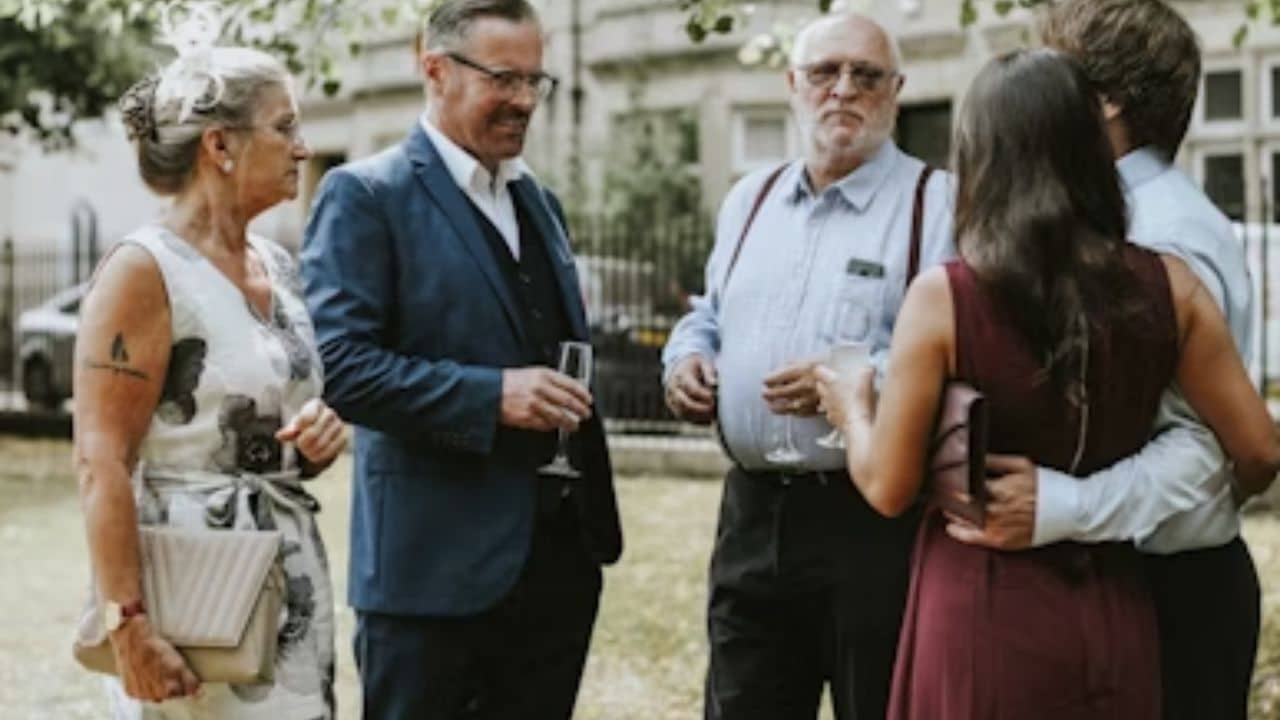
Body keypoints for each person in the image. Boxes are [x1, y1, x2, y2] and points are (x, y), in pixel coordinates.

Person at [815, 48, 1280, 719]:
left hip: (981, 602)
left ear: (977, 156)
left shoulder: (945, 297)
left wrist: (853, 405)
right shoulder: (1173, 285)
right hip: (1116, 602)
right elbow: (1259, 450)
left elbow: (887, 487)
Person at [945, 2, 1270, 717]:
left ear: (1108, 98)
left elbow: (1219, 444)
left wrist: (1065, 505)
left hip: (1169, 586)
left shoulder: (1161, 234)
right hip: (1125, 572)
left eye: (1051, 68)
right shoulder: (1110, 216)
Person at [299, 1, 622, 717]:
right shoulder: (364, 195)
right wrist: (491, 396)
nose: (525, 101)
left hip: (556, 570)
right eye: (505, 78)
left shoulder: (539, 202)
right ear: (434, 70)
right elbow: (341, 367)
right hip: (429, 578)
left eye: (538, 80)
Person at [662, 13, 953, 719]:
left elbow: (959, 348)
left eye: (866, 75)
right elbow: (711, 310)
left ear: (897, 90)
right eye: (824, 73)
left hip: (874, 518)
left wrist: (857, 382)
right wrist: (686, 355)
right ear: (793, 85)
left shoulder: (935, 202)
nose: (843, 90)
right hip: (752, 516)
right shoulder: (749, 199)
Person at [74, 38, 347, 719]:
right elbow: (100, 460)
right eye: (284, 128)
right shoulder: (145, 269)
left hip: (284, 585)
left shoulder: (279, 268)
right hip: (190, 599)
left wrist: (316, 439)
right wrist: (127, 623)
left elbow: (270, 417)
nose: (303, 148)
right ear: (220, 146)